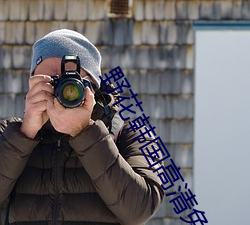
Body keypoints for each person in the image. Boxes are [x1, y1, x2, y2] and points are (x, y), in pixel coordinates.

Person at [0, 29, 164, 225]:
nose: (59, 91)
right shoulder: (8, 134)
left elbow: (139, 210)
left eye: (69, 82)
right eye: (48, 81)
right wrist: (24, 135)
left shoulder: (131, 134)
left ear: (93, 86)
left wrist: (85, 133)